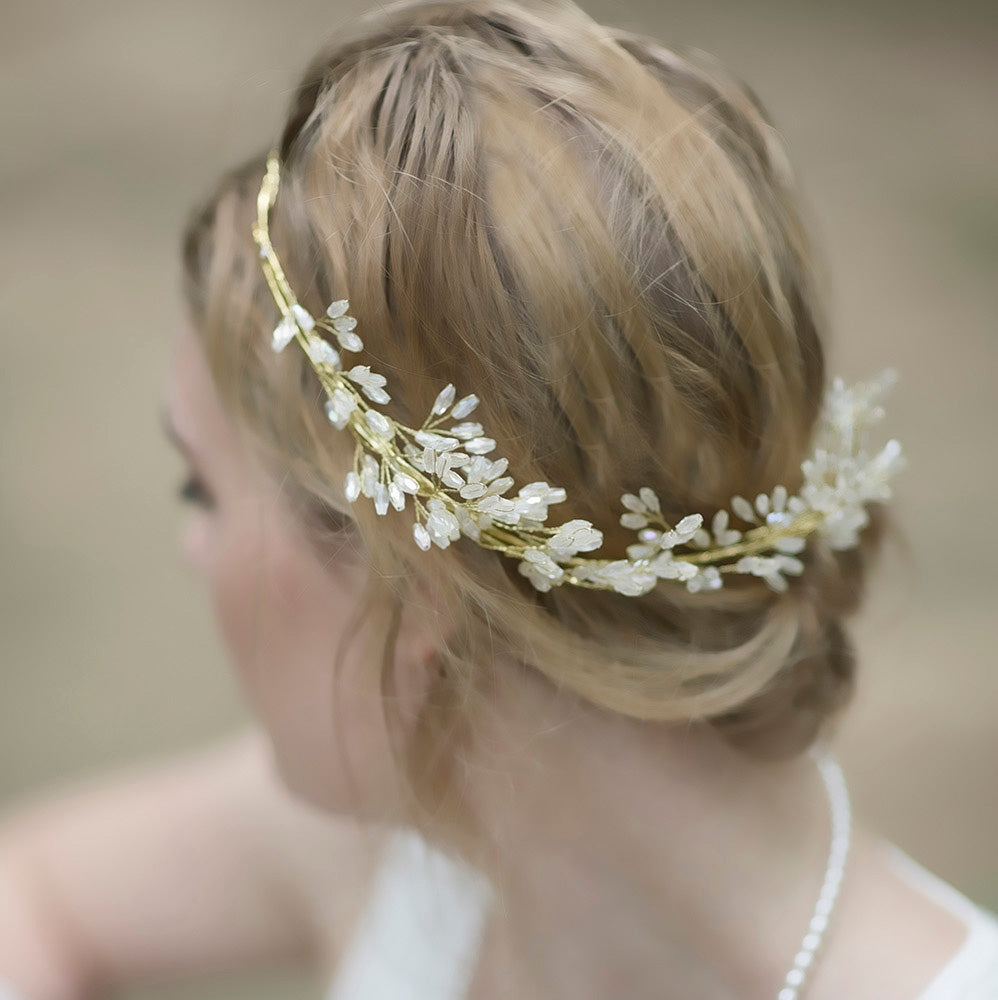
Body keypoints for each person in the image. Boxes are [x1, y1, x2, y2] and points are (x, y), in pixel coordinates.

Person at [2, 0, 996, 997]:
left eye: (201, 487)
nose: (190, 546)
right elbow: (32, 886)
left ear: (413, 569)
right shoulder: (409, 814)